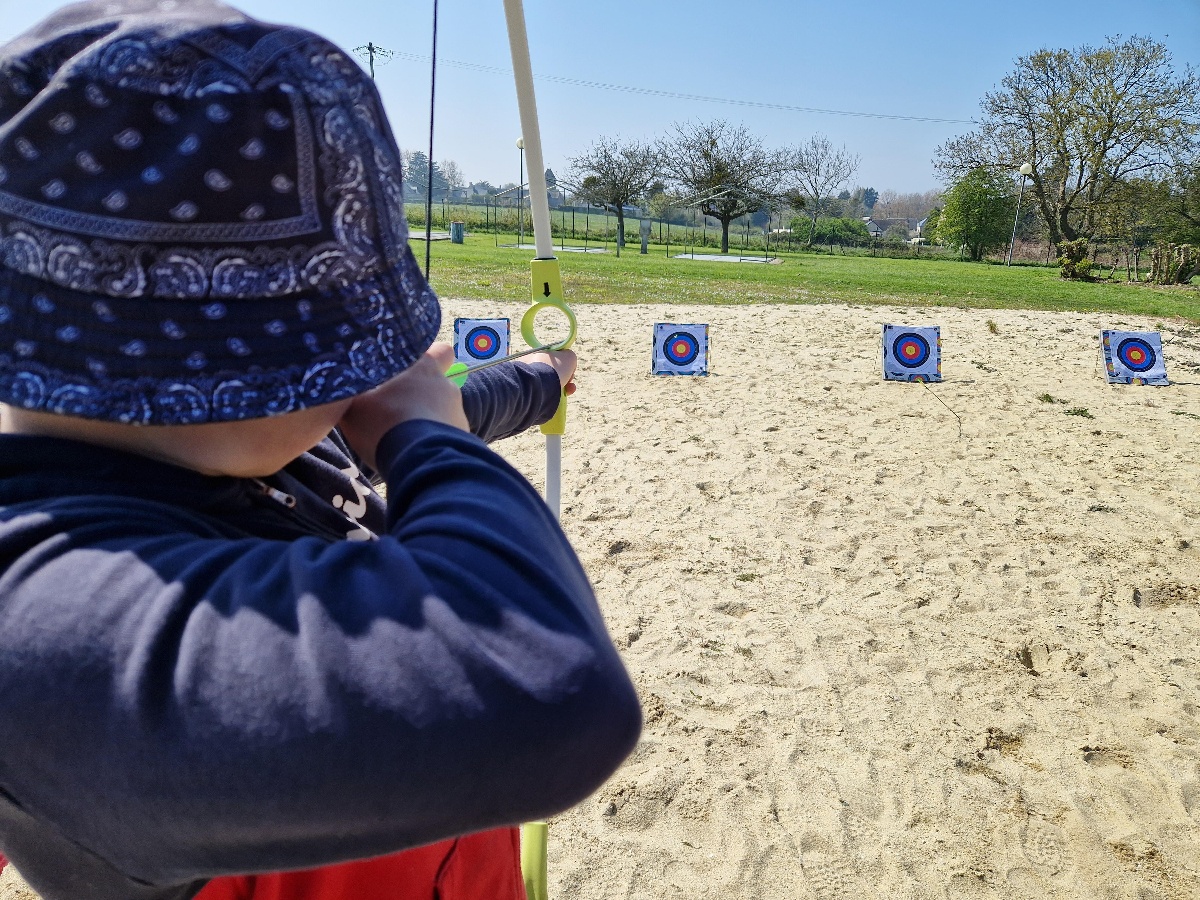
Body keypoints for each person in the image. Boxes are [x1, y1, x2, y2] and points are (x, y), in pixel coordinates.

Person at [0, 3, 642, 900]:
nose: (365, 380)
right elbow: (551, 686)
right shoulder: (42, 625)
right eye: (347, 359)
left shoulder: (213, 446)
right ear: (264, 382)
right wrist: (424, 431)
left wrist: (534, 383)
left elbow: (358, 427)